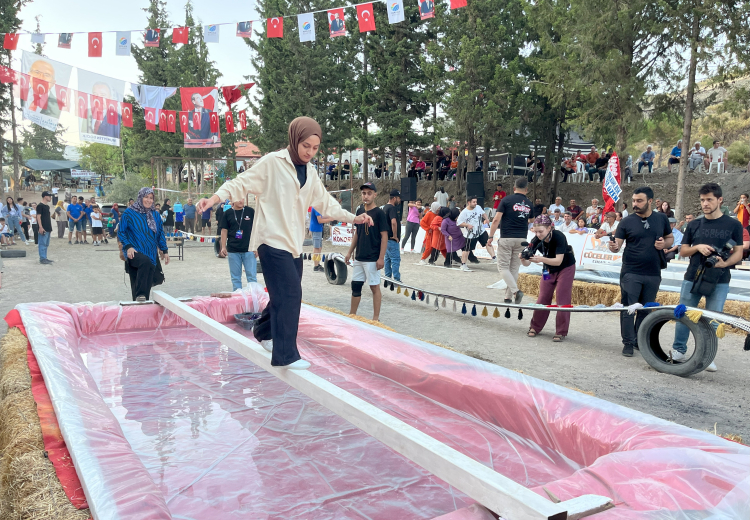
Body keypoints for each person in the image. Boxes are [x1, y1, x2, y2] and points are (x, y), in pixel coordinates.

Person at [195, 116, 373, 370]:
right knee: (291, 294)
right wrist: (213, 199)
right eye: (306, 146)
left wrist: (354, 218)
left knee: (283, 295)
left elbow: (326, 203)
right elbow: (240, 183)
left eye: (315, 148)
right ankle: (285, 355)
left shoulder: (311, 172)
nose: (310, 152)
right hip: (270, 239)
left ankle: (263, 330)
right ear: (294, 139)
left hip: (293, 244)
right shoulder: (272, 163)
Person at [670, 183, 743, 372]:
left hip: (720, 278)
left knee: (714, 318)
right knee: (684, 314)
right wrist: (698, 247)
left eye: (709, 199)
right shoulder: (694, 224)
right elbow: (683, 251)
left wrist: (725, 263)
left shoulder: (733, 224)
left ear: (720, 200)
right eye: (702, 200)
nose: (705, 203)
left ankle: (707, 355)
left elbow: (739, 252)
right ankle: (678, 350)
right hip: (692, 276)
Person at [608, 186, 673, 357]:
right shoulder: (626, 221)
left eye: (639, 201)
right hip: (631, 272)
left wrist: (664, 244)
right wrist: (613, 246)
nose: (635, 204)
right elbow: (617, 245)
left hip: (653, 272)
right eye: (633, 201)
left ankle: (639, 340)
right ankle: (628, 343)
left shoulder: (661, 218)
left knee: (646, 309)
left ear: (650, 201)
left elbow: (670, 238)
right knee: (629, 308)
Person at [523, 215, 577, 341]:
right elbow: (526, 264)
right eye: (535, 231)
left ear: (549, 228)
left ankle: (561, 331)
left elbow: (558, 261)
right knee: (543, 297)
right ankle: (535, 326)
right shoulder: (536, 239)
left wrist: (540, 259)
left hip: (565, 268)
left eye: (540, 231)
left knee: (562, 298)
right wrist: (523, 257)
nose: (538, 234)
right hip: (548, 269)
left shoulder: (559, 236)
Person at [345, 182, 389, 321]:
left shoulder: (380, 213)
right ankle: (352, 315)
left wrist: (381, 258)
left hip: (372, 257)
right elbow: (357, 233)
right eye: (364, 193)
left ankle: (375, 318)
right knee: (356, 285)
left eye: (369, 193)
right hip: (360, 256)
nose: (366, 196)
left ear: (375, 195)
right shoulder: (359, 211)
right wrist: (350, 252)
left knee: (374, 287)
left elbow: (384, 236)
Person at [119, 187, 170, 302]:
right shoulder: (129, 213)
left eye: (151, 198)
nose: (149, 200)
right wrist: (128, 246)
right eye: (146, 197)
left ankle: (141, 302)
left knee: (143, 288)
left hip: (151, 253)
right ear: (140, 197)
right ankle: (140, 295)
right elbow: (121, 232)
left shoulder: (155, 215)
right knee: (144, 264)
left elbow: (160, 234)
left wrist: (164, 250)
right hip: (134, 252)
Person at [488, 177, 533, 304]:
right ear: (526, 189)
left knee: (502, 267)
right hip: (522, 238)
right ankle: (508, 297)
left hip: (507, 236)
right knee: (514, 268)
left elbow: (496, 220)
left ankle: (515, 291)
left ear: (514, 188)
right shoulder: (529, 203)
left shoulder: (506, 200)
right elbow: (532, 219)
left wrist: (490, 236)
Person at [219, 197, 257, 291]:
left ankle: (253, 296)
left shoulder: (250, 211)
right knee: (235, 278)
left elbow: (256, 229)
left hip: (249, 249)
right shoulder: (227, 213)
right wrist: (223, 247)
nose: (241, 201)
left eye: (242, 198)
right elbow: (224, 230)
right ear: (232, 200)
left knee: (251, 276)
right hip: (233, 250)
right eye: (238, 198)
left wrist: (256, 246)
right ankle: (237, 297)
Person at [457, 197, 495, 271]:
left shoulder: (478, 207)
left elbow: (483, 213)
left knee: (488, 242)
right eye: (473, 202)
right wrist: (467, 225)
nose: (475, 203)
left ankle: (494, 257)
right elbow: (459, 223)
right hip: (471, 234)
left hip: (481, 230)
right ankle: (463, 264)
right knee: (467, 249)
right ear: (469, 202)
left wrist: (487, 219)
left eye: (476, 202)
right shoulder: (464, 212)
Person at [382, 189, 402, 281]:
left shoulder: (385, 207)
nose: (400, 200)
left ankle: (388, 278)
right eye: (399, 198)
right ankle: (397, 279)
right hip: (392, 239)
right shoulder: (392, 208)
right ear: (394, 198)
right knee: (395, 259)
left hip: (385, 239)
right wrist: (395, 235)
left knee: (387, 259)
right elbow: (393, 222)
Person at [309, 206, 333, 272]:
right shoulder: (317, 207)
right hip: (316, 229)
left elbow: (322, 216)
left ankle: (318, 263)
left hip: (319, 229)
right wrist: (330, 219)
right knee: (316, 247)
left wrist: (329, 216)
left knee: (319, 247)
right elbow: (320, 220)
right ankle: (316, 266)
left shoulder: (318, 207)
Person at [36, 192, 53, 264]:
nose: (50, 198)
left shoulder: (47, 206)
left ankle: (45, 257)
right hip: (43, 227)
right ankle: (42, 258)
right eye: (49, 196)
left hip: (48, 227)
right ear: (45, 196)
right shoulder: (40, 206)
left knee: (46, 244)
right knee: (42, 243)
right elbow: (38, 217)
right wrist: (40, 227)